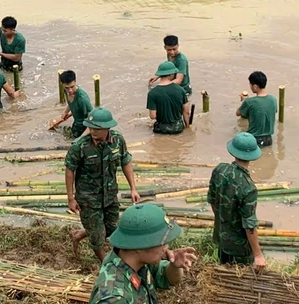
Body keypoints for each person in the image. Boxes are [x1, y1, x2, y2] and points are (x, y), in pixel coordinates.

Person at [65, 108, 140, 262]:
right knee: (98, 236)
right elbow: (69, 171)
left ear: (107, 128)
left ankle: (79, 234)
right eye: (90, 127)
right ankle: (104, 263)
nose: (92, 131)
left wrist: (133, 188)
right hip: (88, 198)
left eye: (96, 128)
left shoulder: (118, 141)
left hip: (110, 195)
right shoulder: (80, 146)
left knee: (112, 229)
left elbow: (126, 162)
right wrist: (71, 198)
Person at [88, 204, 198, 303]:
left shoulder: (134, 259)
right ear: (139, 245)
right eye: (161, 243)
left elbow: (169, 279)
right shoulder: (115, 298)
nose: (166, 248)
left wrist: (174, 266)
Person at [207, 132, 266, 271]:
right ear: (252, 155)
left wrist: (223, 221)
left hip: (221, 238)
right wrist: (258, 254)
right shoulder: (248, 188)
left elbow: (212, 200)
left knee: (223, 272)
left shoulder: (219, 170)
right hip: (240, 248)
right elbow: (249, 225)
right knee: (241, 279)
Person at [149, 35, 192, 119]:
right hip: (172, 87)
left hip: (182, 89)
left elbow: (179, 80)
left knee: (179, 113)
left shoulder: (181, 60)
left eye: (174, 49)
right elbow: (170, 67)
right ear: (165, 48)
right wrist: (157, 76)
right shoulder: (170, 55)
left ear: (178, 46)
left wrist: (162, 87)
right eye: (169, 50)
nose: (172, 52)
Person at [236, 71, 277, 147]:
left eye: (250, 84)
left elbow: (238, 113)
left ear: (255, 86)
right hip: (268, 139)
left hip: (254, 139)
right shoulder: (273, 99)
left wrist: (244, 101)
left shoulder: (249, 102)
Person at [147, 61, 190, 134]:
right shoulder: (180, 90)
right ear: (171, 74)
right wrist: (188, 127)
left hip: (160, 129)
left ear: (160, 74)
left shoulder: (152, 93)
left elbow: (152, 116)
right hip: (178, 128)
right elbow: (186, 112)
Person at [58, 70, 93, 138]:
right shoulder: (66, 91)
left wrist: (82, 137)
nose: (70, 90)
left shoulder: (82, 99)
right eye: (67, 88)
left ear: (75, 82)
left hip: (84, 128)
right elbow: (71, 103)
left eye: (72, 87)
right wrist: (65, 112)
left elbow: (92, 118)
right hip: (76, 124)